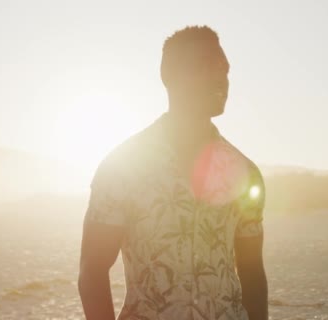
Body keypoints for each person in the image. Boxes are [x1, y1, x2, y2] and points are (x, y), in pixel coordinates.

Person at [78, 25, 268, 320]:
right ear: (168, 75)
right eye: (206, 65)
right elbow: (92, 270)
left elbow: (253, 272)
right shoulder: (124, 167)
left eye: (225, 69)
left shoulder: (245, 173)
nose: (221, 77)